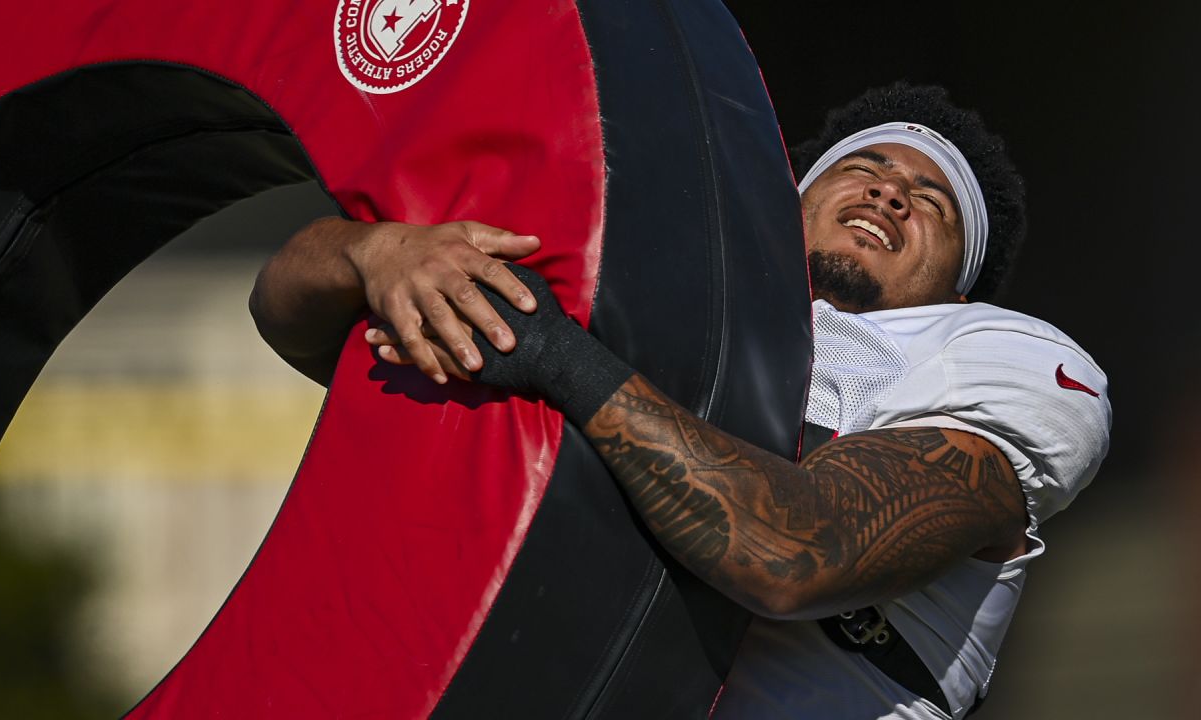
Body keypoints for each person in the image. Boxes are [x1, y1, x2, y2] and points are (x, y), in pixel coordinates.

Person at [250, 83, 1111, 719]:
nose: (891, 192)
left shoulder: (997, 357)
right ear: (785, 204)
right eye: (867, 170)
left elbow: (790, 554)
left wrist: (557, 357)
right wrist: (379, 252)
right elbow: (286, 316)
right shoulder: (668, 288)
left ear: (959, 294)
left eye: (932, 202)